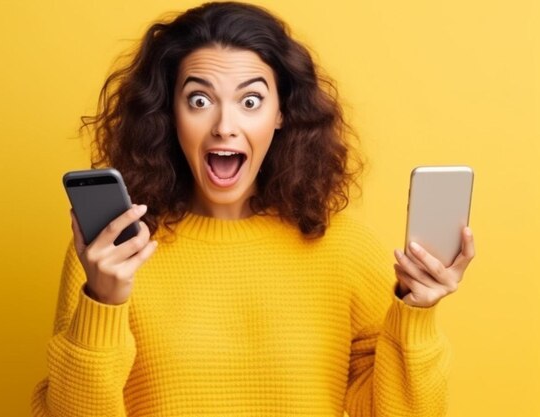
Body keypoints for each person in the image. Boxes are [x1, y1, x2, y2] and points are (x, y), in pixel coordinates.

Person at [32, 2, 475, 416]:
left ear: (281, 113)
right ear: (170, 113)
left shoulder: (346, 249)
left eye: (250, 101)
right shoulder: (112, 255)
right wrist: (102, 303)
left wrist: (415, 314)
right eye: (199, 100)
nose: (225, 126)